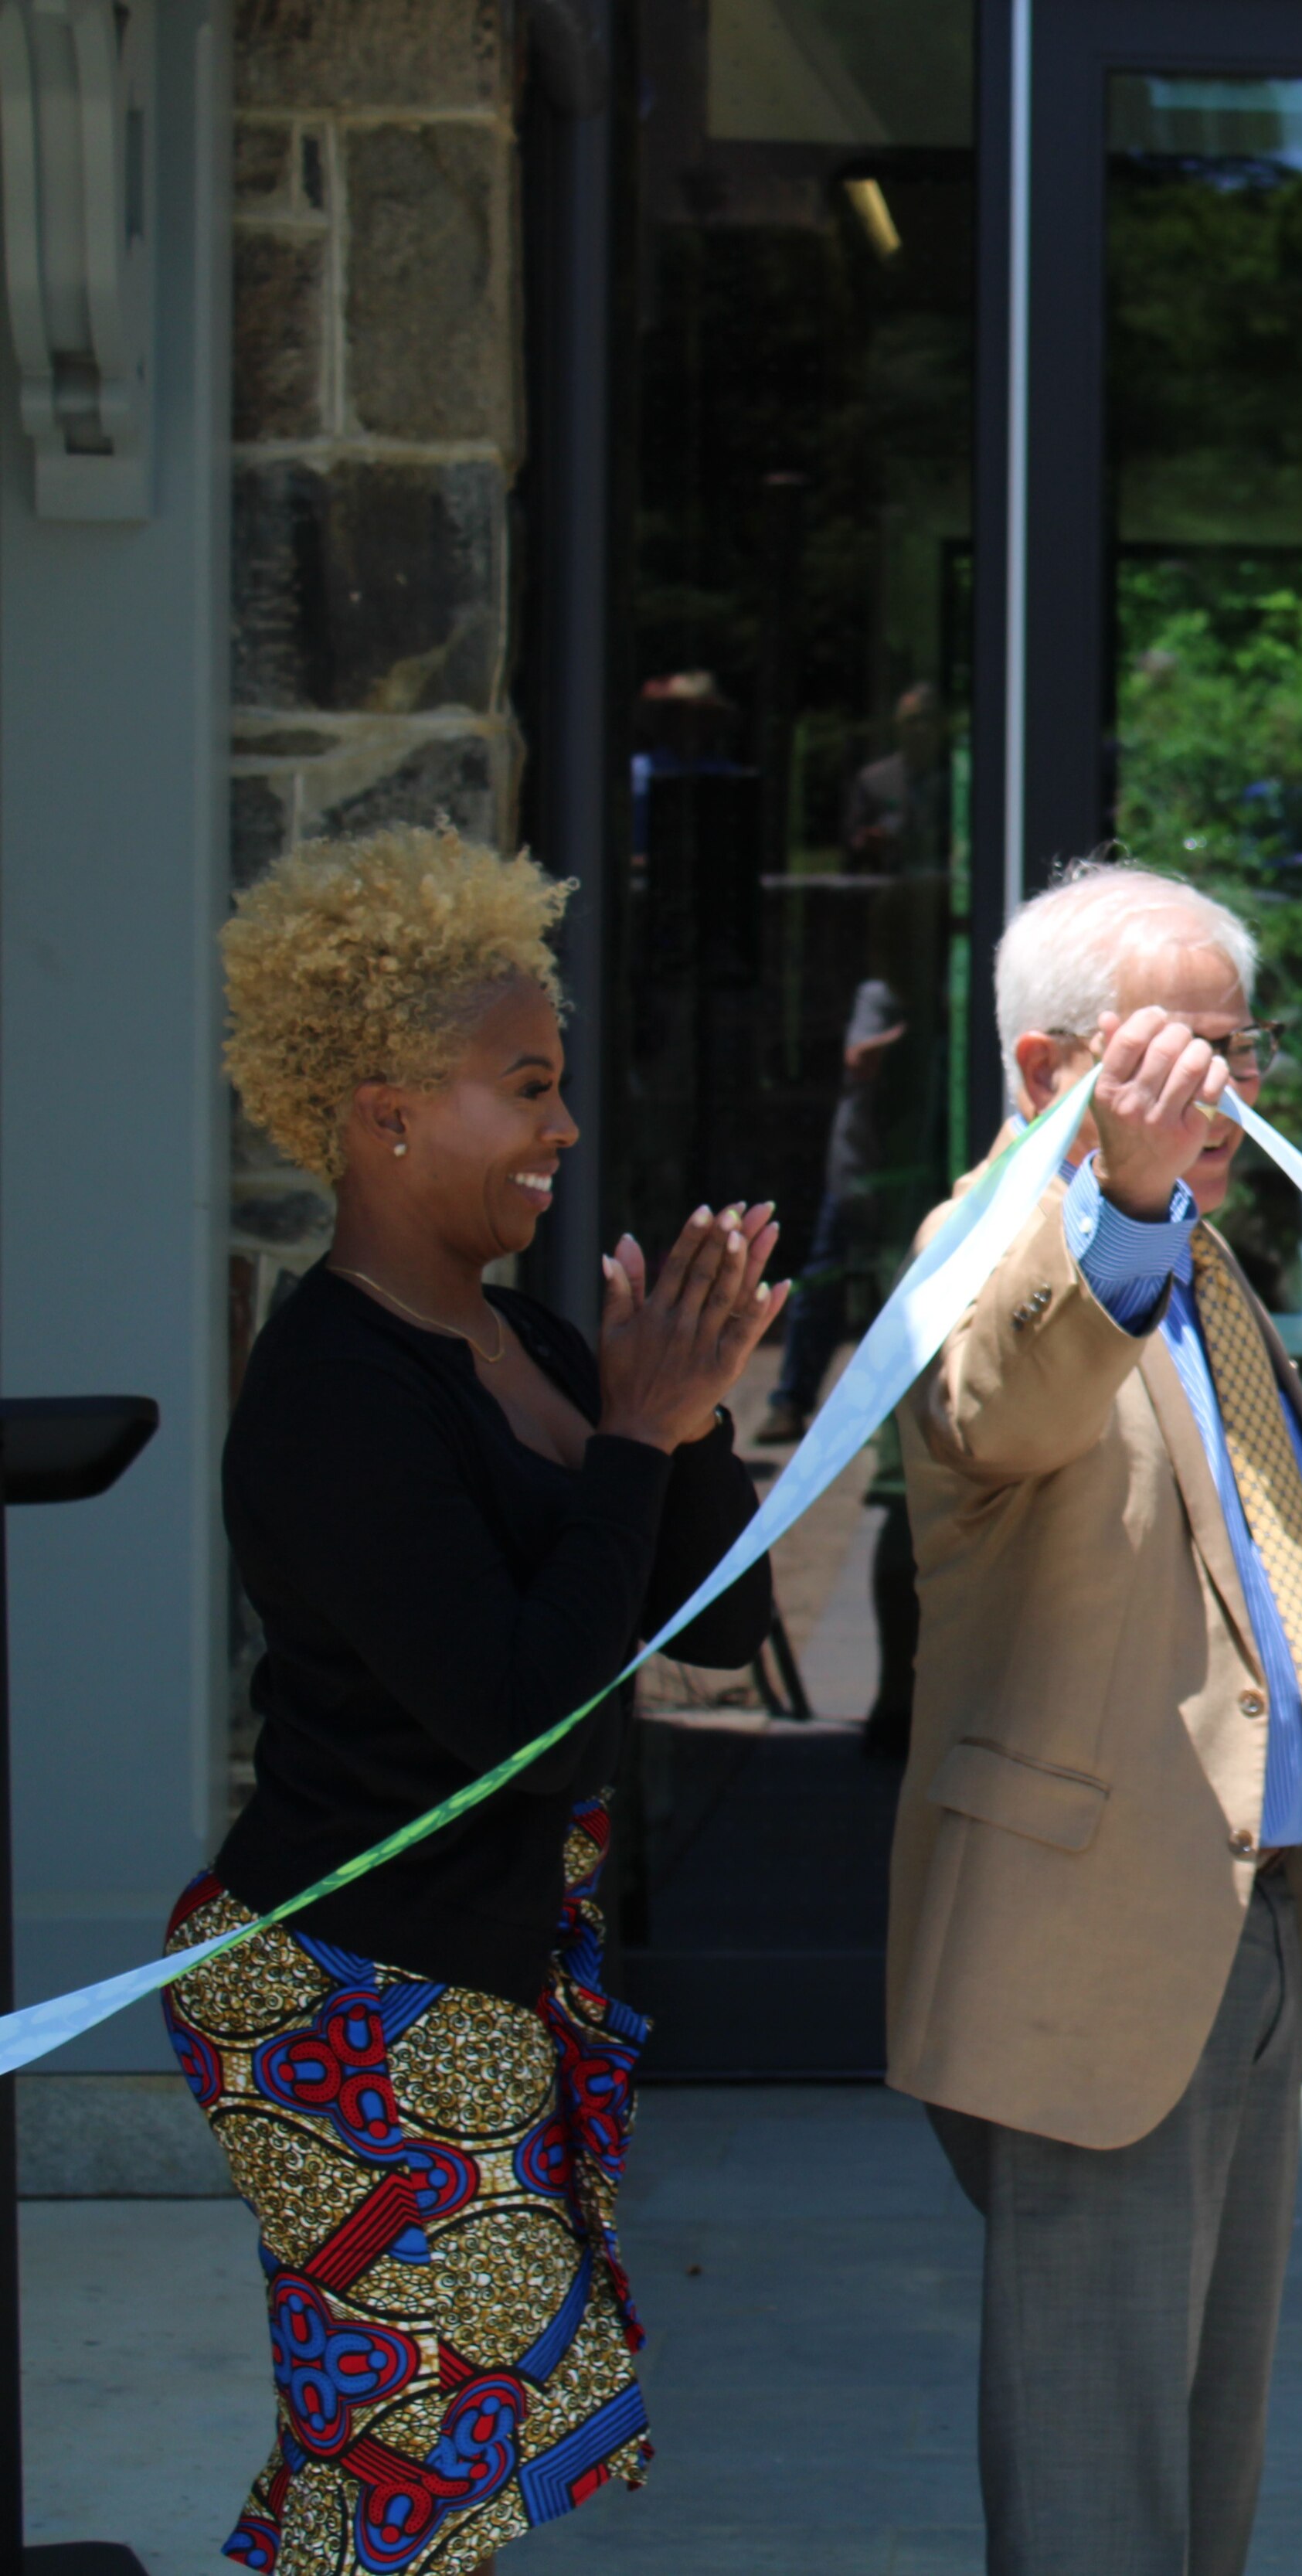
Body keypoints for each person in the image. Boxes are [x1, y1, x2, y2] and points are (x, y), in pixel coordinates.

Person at [178, 823, 784, 2571]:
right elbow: (530, 1727)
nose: (564, 1133)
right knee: (407, 2486)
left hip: (476, 1980)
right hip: (344, 1998)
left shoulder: (527, 1339)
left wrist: (687, 1412)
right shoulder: (328, 1397)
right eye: (524, 1088)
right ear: (383, 1110)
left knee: (407, 2486)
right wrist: (626, 1442)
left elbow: (726, 1631)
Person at [889, 859, 1302, 2575]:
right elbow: (998, 1403)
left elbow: (1225, 1568)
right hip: (1100, 1951)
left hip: (1250, 1922)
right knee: (1094, 2489)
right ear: (1044, 1064)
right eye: (1182, 1052)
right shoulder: (1000, 1244)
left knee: (1204, 2462)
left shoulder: (1198, 1263)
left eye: (1243, 1048)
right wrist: (1124, 1207)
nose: (1230, 1089)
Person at [755, 974, 908, 1445]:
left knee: (894, 1296)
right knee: (822, 1285)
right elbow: (858, 1059)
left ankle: (894, 1425)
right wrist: (911, 1034)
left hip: (899, 1175)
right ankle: (790, 1403)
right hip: (857, 1174)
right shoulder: (882, 992)